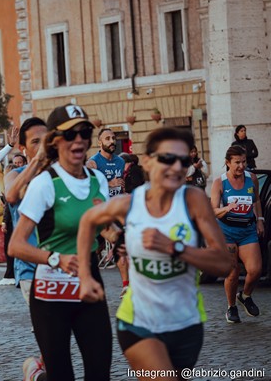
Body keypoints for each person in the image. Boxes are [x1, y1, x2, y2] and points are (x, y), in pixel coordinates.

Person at [77, 127, 233, 379]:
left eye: (184, 160)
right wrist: (85, 275)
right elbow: (87, 220)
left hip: (187, 325)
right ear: (148, 161)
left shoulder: (194, 201)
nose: (177, 166)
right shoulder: (129, 204)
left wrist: (174, 248)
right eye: (168, 158)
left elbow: (224, 264)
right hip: (138, 322)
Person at [9, 105, 112, 381]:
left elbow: (105, 229)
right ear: (55, 141)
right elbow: (16, 246)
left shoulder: (98, 180)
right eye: (69, 135)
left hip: (90, 283)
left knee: (100, 372)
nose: (78, 140)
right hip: (51, 290)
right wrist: (56, 258)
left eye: (84, 132)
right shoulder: (44, 183)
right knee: (61, 375)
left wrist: (125, 239)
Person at [211, 145, 264, 323]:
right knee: (232, 274)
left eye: (244, 162)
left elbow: (256, 200)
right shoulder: (220, 182)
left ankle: (246, 296)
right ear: (228, 163)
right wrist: (226, 208)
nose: (241, 166)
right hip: (226, 231)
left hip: (248, 231)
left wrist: (260, 219)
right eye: (237, 163)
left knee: (255, 270)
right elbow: (213, 210)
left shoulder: (252, 178)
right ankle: (231, 307)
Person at [4, 117, 48, 305]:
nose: (42, 146)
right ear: (23, 148)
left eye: (46, 140)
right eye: (35, 142)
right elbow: (11, 196)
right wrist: (37, 162)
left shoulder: (59, 173)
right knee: (45, 328)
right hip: (30, 267)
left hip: (61, 264)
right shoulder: (15, 174)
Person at [87, 128, 130, 297]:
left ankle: (126, 285)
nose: (112, 141)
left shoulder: (120, 161)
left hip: (116, 210)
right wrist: (108, 183)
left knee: (121, 245)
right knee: (90, 249)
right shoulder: (93, 162)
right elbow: (88, 186)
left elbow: (121, 183)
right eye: (107, 139)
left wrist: (123, 191)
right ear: (100, 142)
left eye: (113, 138)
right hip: (98, 210)